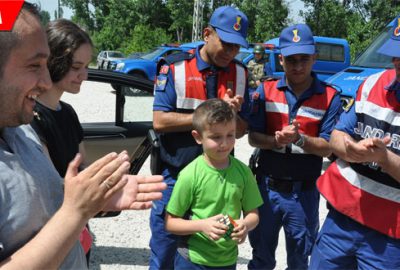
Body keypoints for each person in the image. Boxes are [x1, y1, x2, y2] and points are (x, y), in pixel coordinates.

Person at [0, 3, 166, 269]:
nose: (45, 82)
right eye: (34, 65)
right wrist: (76, 212)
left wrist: (93, 201)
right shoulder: (31, 121)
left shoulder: (20, 129)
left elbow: (59, 194)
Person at [150, 5, 251, 269]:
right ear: (207, 34)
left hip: (217, 179)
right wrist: (209, 110)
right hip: (175, 174)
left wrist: (233, 114)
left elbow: (241, 130)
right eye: (226, 44)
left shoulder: (241, 73)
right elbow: (160, 121)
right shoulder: (175, 67)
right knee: (164, 254)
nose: (231, 52)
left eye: (237, 47)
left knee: (209, 255)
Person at [246, 24, 342, 270]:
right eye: (291, 60)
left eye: (304, 59)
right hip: (266, 190)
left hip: (304, 194)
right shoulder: (265, 90)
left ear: (314, 58)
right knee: (261, 257)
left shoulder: (330, 96)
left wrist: (300, 140)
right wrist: (275, 141)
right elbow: (253, 138)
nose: (298, 66)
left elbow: (329, 147)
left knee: (300, 260)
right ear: (280, 59)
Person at [309, 16, 400, 270]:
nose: (396, 62)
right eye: (395, 54)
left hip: (390, 235)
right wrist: (350, 148)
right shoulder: (372, 84)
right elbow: (337, 136)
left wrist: (384, 159)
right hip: (343, 218)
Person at [165, 99, 263, 269]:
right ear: (198, 137)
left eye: (230, 135)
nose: (224, 143)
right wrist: (202, 225)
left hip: (227, 260)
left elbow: (253, 214)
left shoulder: (243, 173)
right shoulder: (190, 174)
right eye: (216, 137)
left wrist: (245, 225)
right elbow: (170, 222)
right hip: (192, 259)